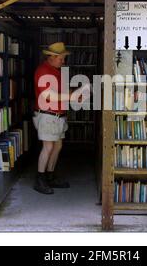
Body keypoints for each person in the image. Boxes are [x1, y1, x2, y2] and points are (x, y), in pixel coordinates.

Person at [32, 42, 89, 195]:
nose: (63, 61)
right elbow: (47, 95)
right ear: (51, 57)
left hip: (57, 116)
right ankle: (40, 179)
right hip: (48, 115)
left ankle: (50, 176)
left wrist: (76, 94)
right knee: (48, 147)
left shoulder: (56, 71)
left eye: (63, 58)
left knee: (57, 147)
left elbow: (62, 91)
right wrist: (71, 96)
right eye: (61, 58)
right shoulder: (43, 71)